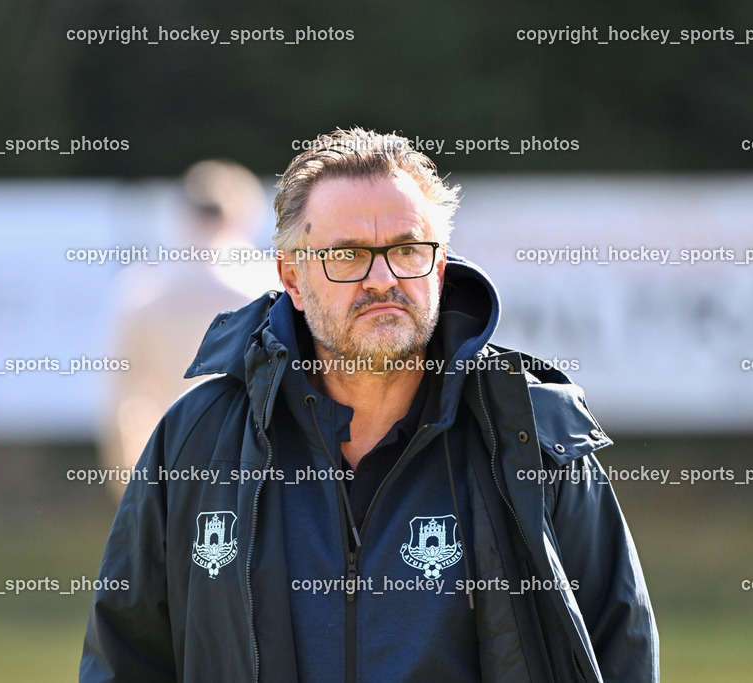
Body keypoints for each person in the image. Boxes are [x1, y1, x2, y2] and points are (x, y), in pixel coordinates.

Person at [80, 128, 659, 682]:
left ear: (440, 262)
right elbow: (125, 658)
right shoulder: (195, 438)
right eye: (350, 255)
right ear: (293, 278)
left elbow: (620, 645)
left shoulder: (532, 432)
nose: (382, 279)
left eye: (407, 249)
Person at [99, 159, 269, 497]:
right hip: (254, 478)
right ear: (246, 215)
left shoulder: (142, 292)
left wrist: (130, 488)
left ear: (182, 215)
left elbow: (119, 402)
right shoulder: (269, 289)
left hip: (171, 475)